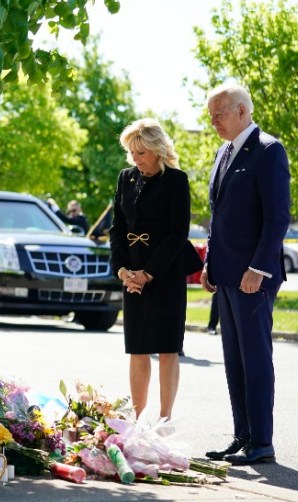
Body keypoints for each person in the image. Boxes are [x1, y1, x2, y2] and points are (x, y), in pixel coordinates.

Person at [201, 83, 289, 466]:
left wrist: (259, 267)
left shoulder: (268, 150)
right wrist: (210, 263)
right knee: (234, 360)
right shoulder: (223, 151)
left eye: (218, 113)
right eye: (210, 115)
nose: (213, 121)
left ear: (241, 111)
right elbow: (219, 216)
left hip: (254, 277)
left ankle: (262, 442)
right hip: (226, 276)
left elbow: (277, 217)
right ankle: (242, 436)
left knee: (255, 359)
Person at [109, 118, 191, 422]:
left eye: (140, 153)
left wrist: (148, 274)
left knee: (168, 347)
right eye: (132, 153)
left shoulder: (176, 180)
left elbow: (177, 234)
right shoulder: (125, 178)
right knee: (138, 348)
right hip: (131, 274)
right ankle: (137, 417)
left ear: (157, 150)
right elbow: (117, 228)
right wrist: (123, 271)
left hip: (165, 273)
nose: (135, 159)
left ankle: (165, 418)